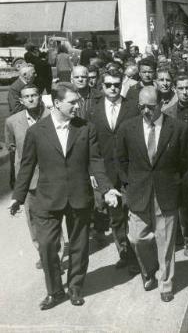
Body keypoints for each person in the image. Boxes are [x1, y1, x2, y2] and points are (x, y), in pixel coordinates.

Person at [9, 82, 115, 309]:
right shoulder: (36, 132)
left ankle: (75, 287)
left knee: (78, 245)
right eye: (72, 102)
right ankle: (55, 291)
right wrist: (18, 197)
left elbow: (96, 161)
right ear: (57, 103)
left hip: (79, 195)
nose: (77, 106)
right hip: (47, 197)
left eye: (77, 102)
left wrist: (106, 188)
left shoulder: (86, 128)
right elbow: (27, 166)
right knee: (47, 245)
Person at [115, 87, 188, 302]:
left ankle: (166, 283)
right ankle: (149, 270)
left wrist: (176, 182)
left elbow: (185, 161)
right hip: (138, 191)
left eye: (151, 106)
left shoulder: (178, 128)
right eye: (142, 106)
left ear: (162, 104)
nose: (146, 111)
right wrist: (129, 184)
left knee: (165, 241)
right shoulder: (127, 128)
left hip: (166, 192)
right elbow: (120, 160)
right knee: (137, 238)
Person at [87, 69, 139, 272]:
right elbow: (91, 147)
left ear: (122, 85)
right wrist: (93, 173)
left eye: (117, 84)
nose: (113, 88)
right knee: (116, 217)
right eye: (108, 85)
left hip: (130, 170)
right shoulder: (94, 110)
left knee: (135, 215)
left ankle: (139, 256)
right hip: (107, 173)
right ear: (102, 86)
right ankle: (125, 254)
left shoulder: (132, 107)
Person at [4, 84, 50, 269]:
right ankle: (42, 252)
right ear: (21, 100)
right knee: (32, 218)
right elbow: (12, 147)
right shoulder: (12, 122)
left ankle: (53, 253)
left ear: (40, 96)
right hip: (28, 178)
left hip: (50, 175)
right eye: (27, 96)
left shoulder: (51, 116)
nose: (31, 99)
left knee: (51, 217)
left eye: (34, 95)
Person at [163, 74, 188, 258]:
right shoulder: (168, 112)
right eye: (181, 88)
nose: (185, 92)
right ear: (175, 90)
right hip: (180, 166)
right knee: (184, 206)